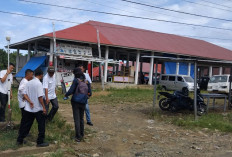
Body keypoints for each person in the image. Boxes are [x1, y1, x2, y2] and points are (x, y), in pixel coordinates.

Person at [17, 69, 48, 147]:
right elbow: (40, 97)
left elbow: (24, 94)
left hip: (29, 108)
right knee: (41, 125)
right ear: (41, 75)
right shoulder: (39, 84)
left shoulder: (29, 83)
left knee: (26, 125)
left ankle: (20, 139)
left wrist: (30, 101)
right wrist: (44, 107)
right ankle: (40, 141)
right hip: (38, 108)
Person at [64, 67, 91, 142]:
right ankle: (82, 134)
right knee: (81, 118)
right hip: (83, 102)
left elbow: (71, 90)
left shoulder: (76, 80)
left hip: (75, 102)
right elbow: (90, 93)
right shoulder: (86, 81)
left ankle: (78, 137)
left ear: (75, 74)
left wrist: (66, 95)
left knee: (77, 119)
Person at [17, 69, 34, 135]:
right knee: (25, 119)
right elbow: (21, 89)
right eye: (31, 75)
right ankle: (22, 132)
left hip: (24, 103)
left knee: (25, 119)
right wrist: (25, 96)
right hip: (23, 104)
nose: (32, 76)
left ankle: (24, 131)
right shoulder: (25, 82)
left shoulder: (26, 81)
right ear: (28, 74)